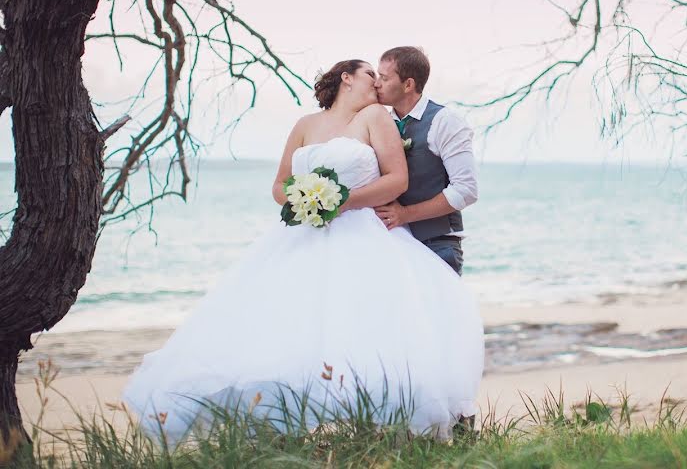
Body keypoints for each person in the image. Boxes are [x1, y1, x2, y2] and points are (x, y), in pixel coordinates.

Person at [121, 59, 485, 444]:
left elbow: (397, 180)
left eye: (382, 77)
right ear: (346, 77)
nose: (377, 84)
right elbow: (279, 184)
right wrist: (302, 201)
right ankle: (278, 428)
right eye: (368, 75)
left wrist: (341, 201)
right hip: (302, 234)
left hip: (362, 233)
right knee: (286, 323)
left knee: (366, 325)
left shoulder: (376, 116)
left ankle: (384, 429)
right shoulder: (305, 125)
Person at [373, 47, 478, 275]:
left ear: (408, 85)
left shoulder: (445, 122)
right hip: (391, 246)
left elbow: (466, 190)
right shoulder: (379, 123)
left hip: (436, 246)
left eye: (384, 78)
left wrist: (405, 215)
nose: (376, 84)